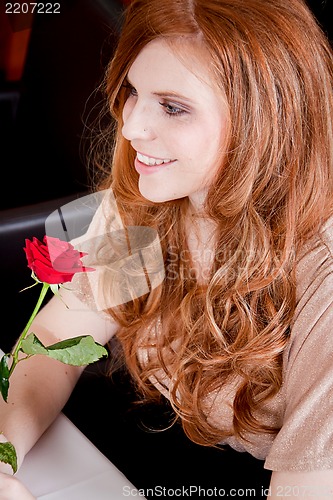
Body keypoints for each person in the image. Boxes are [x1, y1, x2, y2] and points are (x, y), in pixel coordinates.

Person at [1, 0, 333, 497]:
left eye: (173, 106)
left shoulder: (323, 276)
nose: (132, 126)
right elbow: (57, 341)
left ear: (266, 121)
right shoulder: (156, 191)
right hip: (151, 445)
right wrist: (3, 456)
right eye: (133, 91)